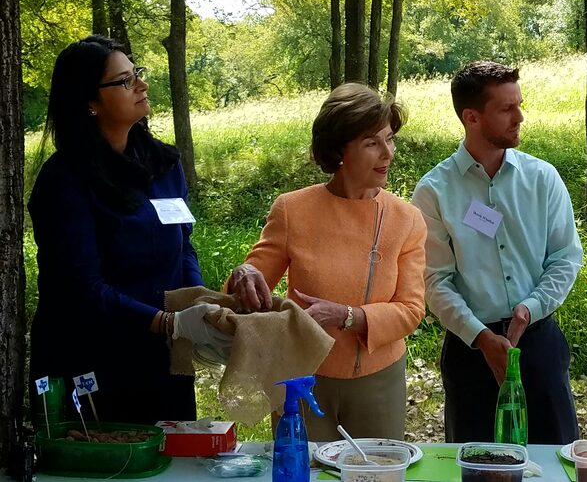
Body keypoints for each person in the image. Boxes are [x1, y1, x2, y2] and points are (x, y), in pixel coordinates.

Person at [28, 35, 231, 425]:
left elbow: (182, 244)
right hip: (93, 364)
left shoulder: (164, 165)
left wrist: (195, 302)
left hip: (164, 360)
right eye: (124, 81)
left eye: (137, 73)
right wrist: (166, 322)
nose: (142, 85)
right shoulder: (65, 180)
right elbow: (81, 287)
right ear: (89, 102)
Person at [225, 83, 426, 441]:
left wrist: (348, 316)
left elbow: (411, 310)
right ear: (339, 150)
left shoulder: (406, 219)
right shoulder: (292, 209)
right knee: (305, 472)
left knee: (375, 476)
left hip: (379, 381)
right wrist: (244, 274)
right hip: (301, 377)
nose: (388, 153)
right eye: (371, 142)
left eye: (390, 139)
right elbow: (246, 292)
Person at [411, 61, 583, 444]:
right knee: (476, 464)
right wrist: (480, 336)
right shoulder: (433, 192)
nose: (520, 116)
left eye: (519, 104)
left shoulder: (543, 179)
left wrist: (531, 307)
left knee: (554, 460)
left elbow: (566, 257)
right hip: (470, 350)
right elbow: (434, 280)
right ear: (471, 117)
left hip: (537, 343)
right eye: (507, 109)